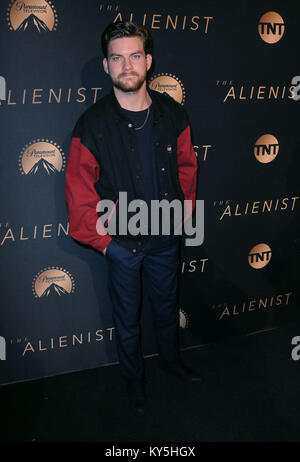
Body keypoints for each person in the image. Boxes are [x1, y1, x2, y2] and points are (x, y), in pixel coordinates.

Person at [65, 21, 201, 416]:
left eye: (135, 55)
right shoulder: (90, 125)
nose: (127, 65)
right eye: (117, 57)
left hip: (165, 237)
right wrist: (107, 245)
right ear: (106, 66)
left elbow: (188, 170)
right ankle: (134, 381)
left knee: (166, 306)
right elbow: (78, 196)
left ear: (149, 61)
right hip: (121, 243)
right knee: (126, 319)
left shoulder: (174, 114)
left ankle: (172, 363)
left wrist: (182, 218)